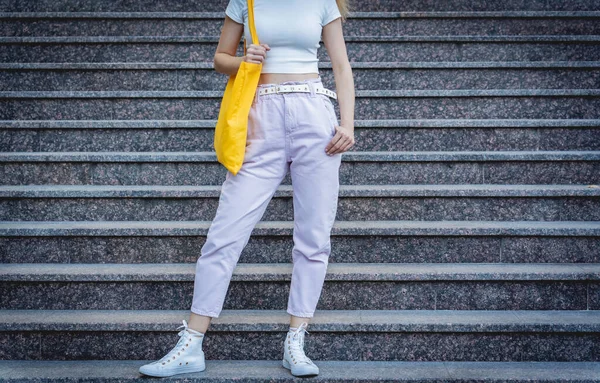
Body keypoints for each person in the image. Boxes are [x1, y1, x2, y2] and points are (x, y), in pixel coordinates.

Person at [139, 0, 355, 378]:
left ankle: (296, 340)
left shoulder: (322, 2)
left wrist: (348, 124)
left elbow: (341, 64)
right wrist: (245, 61)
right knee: (225, 232)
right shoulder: (245, 0)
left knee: (314, 237)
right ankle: (191, 342)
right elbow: (221, 57)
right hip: (261, 116)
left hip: (314, 115)